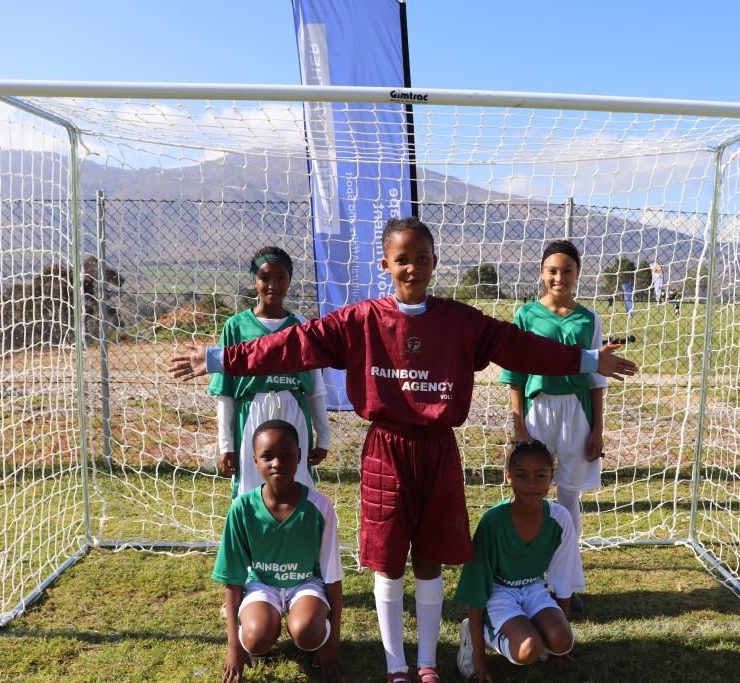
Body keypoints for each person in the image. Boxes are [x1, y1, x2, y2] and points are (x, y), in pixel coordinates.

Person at [168, 217, 637, 683]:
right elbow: (292, 344)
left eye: (421, 258)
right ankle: (397, 666)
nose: (412, 267)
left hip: (437, 449)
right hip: (385, 449)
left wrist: (590, 358)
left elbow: (520, 347)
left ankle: (427, 662)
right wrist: (217, 357)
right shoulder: (362, 320)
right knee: (389, 561)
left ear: (434, 262)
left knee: (429, 558)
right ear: (386, 265)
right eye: (402, 260)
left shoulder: (460, 321)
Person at [501, 240, 605, 611]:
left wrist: (598, 429)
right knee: (530, 494)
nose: (559, 277)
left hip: (576, 414)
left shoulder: (589, 319)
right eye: (552, 270)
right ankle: (525, 576)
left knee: (569, 497)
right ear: (542, 274)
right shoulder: (526, 316)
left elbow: (596, 377)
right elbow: (514, 374)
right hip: (537, 411)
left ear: (578, 274)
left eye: (567, 270)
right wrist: (519, 426)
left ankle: (565, 585)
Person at [212, 420, 343, 683]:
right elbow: (233, 579)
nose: (277, 463)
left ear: (299, 457)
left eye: (286, 455)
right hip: (261, 585)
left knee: (308, 632)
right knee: (255, 637)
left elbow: (332, 577)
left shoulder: (320, 506)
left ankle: (316, 633)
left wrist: (333, 643)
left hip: (306, 584)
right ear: (254, 460)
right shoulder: (242, 508)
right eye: (267, 456)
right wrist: (234, 648)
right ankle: (259, 639)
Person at [454, 440, 582, 681]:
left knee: (564, 641)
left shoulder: (560, 518)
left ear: (551, 477)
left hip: (534, 587)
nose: (532, 484)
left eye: (540, 475)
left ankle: (530, 630)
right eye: (522, 475)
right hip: (498, 592)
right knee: (528, 650)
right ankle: (475, 632)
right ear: (508, 476)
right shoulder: (493, 522)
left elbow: (564, 576)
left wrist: (558, 648)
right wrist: (479, 659)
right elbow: (477, 587)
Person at [209, 246, 331, 497]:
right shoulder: (235, 327)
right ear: (254, 281)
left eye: (280, 277)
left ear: (290, 280)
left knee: (297, 490)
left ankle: (297, 536)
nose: (272, 284)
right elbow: (225, 394)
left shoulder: (302, 326)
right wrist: (225, 445)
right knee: (250, 492)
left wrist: (324, 437)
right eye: (264, 277)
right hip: (251, 414)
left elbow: (315, 389)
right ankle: (250, 537)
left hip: (293, 411)